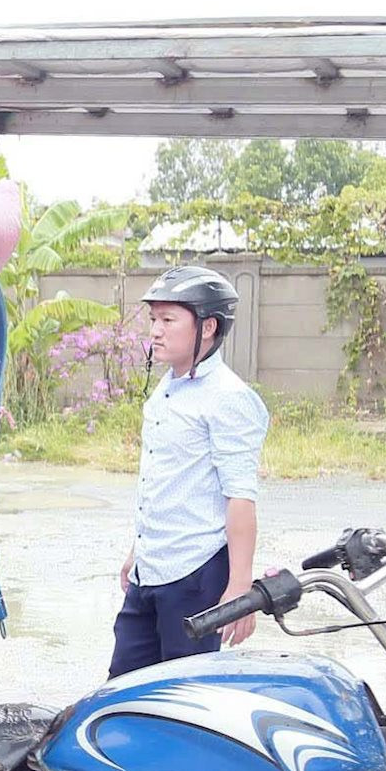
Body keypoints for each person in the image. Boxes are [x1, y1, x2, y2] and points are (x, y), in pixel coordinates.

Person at [110, 265, 271, 679]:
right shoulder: (166, 389)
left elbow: (239, 497)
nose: (155, 331)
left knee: (183, 697)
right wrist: (138, 550)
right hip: (152, 570)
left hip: (196, 577)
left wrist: (240, 587)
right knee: (122, 691)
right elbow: (167, 481)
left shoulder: (229, 399)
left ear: (208, 327)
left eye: (168, 320)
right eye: (153, 320)